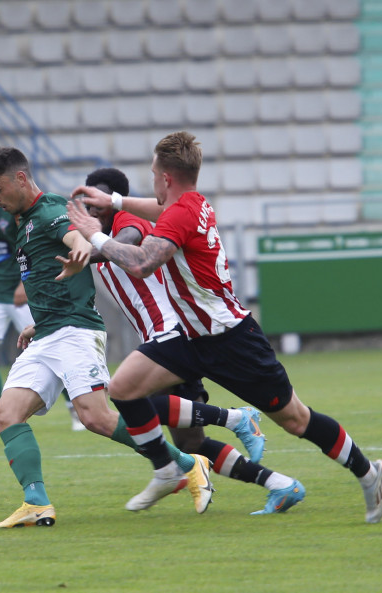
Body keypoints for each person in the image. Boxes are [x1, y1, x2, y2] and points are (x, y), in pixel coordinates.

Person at [67, 131, 382, 524]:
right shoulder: (191, 202)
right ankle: (168, 469)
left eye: (154, 175)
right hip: (189, 338)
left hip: (231, 340)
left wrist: (94, 233)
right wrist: (113, 202)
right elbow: (156, 210)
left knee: (295, 420)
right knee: (123, 389)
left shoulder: (181, 213)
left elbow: (141, 263)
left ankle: (369, 473)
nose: (152, 183)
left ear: (166, 178)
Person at [0, 147, 214, 528]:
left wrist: (83, 251)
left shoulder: (52, 211)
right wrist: (37, 322)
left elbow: (80, 240)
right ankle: (36, 502)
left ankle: (188, 465)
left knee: (97, 418)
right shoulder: (21, 221)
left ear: (20, 179)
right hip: (49, 333)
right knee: (6, 415)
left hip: (74, 333)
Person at [83, 166, 305, 515]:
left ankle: (233, 419)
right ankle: (280, 484)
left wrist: (90, 245)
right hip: (162, 336)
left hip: (172, 333)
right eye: (87, 200)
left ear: (112, 200)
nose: (91, 208)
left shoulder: (128, 223)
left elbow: (127, 241)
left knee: (132, 400)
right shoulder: (97, 237)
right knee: (190, 442)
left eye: (97, 200)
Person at [0, 151, 83, 435]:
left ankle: (75, 409)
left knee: (50, 345)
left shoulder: (14, 205)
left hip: (20, 289)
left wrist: (22, 283)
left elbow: (32, 244)